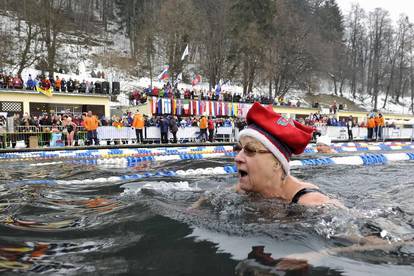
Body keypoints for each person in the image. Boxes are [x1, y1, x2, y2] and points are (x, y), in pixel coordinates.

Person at [234, 102, 334, 206]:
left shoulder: (312, 202)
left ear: (277, 163)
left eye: (250, 150)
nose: (237, 158)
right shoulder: (244, 189)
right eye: (238, 148)